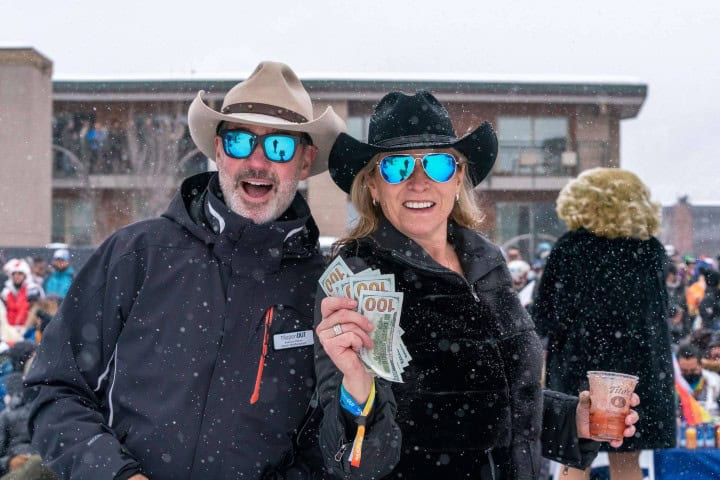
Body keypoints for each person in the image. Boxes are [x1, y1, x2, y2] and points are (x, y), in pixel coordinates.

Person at [25, 61, 346, 480]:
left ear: (305, 163)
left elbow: (333, 438)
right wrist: (113, 474)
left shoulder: (324, 288)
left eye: (280, 147)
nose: (256, 161)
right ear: (218, 151)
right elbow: (54, 389)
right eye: (239, 141)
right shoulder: (136, 254)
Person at [313, 90, 620, 479]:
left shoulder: (487, 264)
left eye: (439, 166)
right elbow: (349, 457)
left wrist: (570, 418)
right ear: (373, 185)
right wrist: (357, 388)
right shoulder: (356, 279)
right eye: (396, 168)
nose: (419, 182)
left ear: (458, 178)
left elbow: (499, 400)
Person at [534, 168, 675, 480]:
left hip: (581, 370)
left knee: (574, 461)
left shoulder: (570, 247)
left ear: (584, 201)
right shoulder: (649, 249)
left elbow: (545, 316)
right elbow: (662, 313)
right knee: (627, 463)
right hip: (638, 374)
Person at [0, 260, 43, 342]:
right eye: (14, 273)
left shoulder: (33, 290)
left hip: (29, 332)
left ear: (25, 275)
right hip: (8, 333)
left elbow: (37, 313)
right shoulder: (5, 293)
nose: (17, 276)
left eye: (20, 273)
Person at [677, 342, 720, 417]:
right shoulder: (671, 386)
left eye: (693, 370)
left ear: (701, 365)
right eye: (684, 371)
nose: (689, 374)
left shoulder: (715, 382)